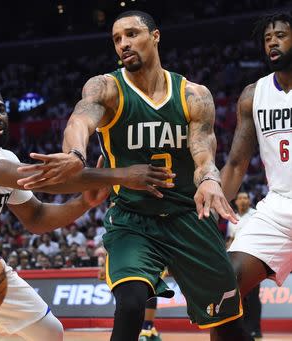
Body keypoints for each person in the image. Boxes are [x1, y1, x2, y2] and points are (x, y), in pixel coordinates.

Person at [17, 11, 252, 341]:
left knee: (228, 324)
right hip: (133, 219)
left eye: (131, 34)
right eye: (116, 39)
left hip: (188, 216)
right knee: (130, 305)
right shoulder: (107, 88)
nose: (123, 43)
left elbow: (203, 154)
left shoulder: (193, 95)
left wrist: (210, 178)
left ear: (155, 36)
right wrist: (75, 154)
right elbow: (79, 122)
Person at [0, 85, 174, 341]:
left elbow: (36, 218)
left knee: (49, 331)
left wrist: (83, 203)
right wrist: (122, 175)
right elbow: (45, 179)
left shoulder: (5, 160)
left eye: (0, 108)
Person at [221, 9, 292, 335]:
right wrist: (209, 210)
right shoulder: (253, 96)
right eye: (267, 38)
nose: (273, 42)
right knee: (221, 287)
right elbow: (236, 165)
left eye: (281, 35)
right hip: (278, 207)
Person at [226, 192, 262, 339]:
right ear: (235, 202)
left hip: (253, 258)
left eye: (246, 198)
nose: (243, 200)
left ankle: (255, 329)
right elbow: (230, 239)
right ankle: (244, 329)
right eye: (240, 198)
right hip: (236, 260)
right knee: (240, 296)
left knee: (253, 297)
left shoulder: (255, 215)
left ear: (249, 201)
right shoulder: (232, 218)